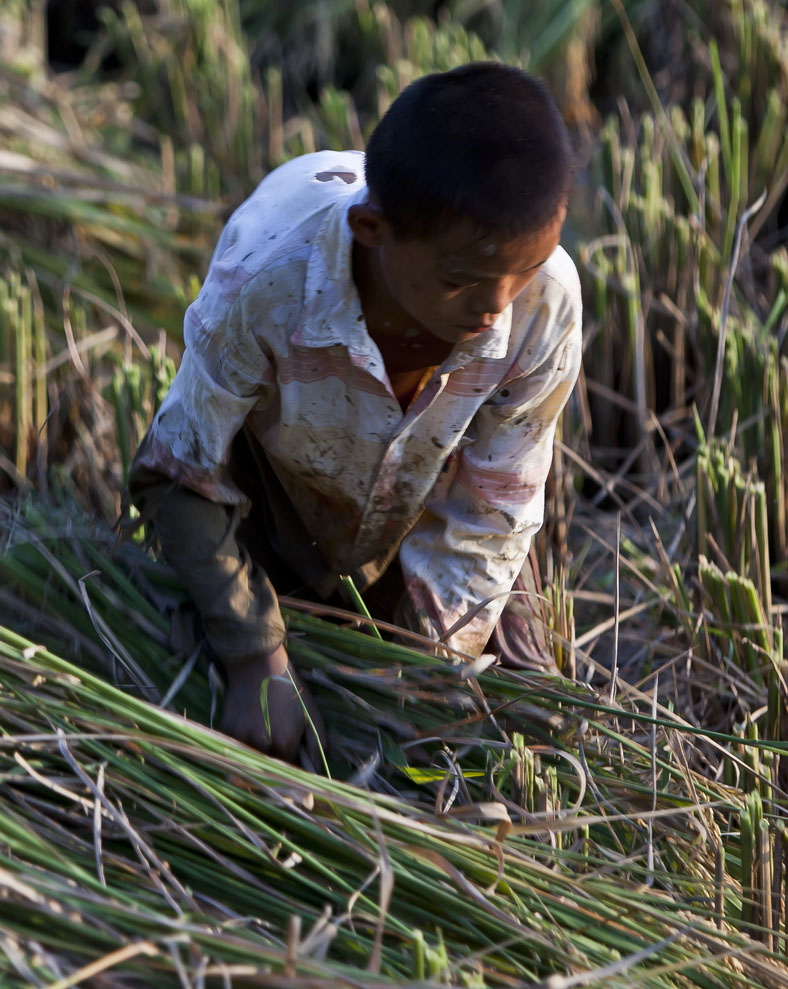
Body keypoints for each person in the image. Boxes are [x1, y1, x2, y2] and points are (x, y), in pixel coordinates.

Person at [129, 62, 583, 764]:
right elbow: (175, 468)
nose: (496, 305)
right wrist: (254, 653)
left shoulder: (545, 301)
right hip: (274, 507)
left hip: (431, 510)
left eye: (522, 271)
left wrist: (423, 677)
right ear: (371, 229)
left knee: (510, 734)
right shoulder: (270, 275)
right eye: (460, 278)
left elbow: (495, 505)